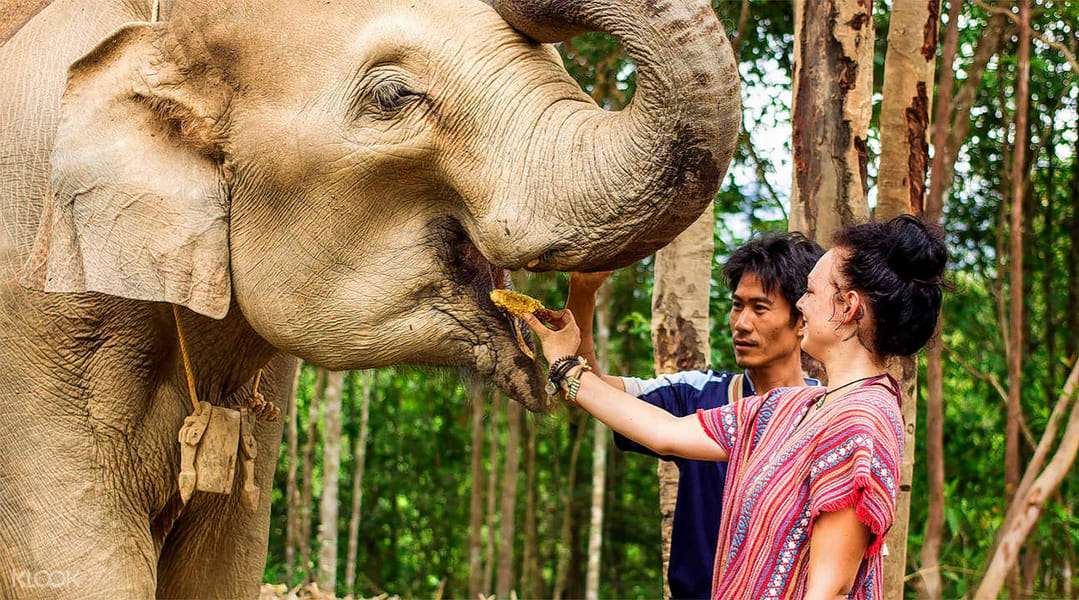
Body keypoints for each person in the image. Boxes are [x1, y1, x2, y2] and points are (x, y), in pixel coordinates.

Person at [524, 215, 946, 599]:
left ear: (849, 307)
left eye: (812, 292)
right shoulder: (792, 408)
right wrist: (564, 364)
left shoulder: (860, 421)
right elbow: (665, 430)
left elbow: (830, 590)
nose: (801, 303)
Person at [565, 232, 823, 599]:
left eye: (760, 308)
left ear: (801, 320)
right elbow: (590, 389)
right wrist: (583, 293)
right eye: (737, 305)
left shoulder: (829, 413)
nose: (741, 323)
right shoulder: (699, 394)